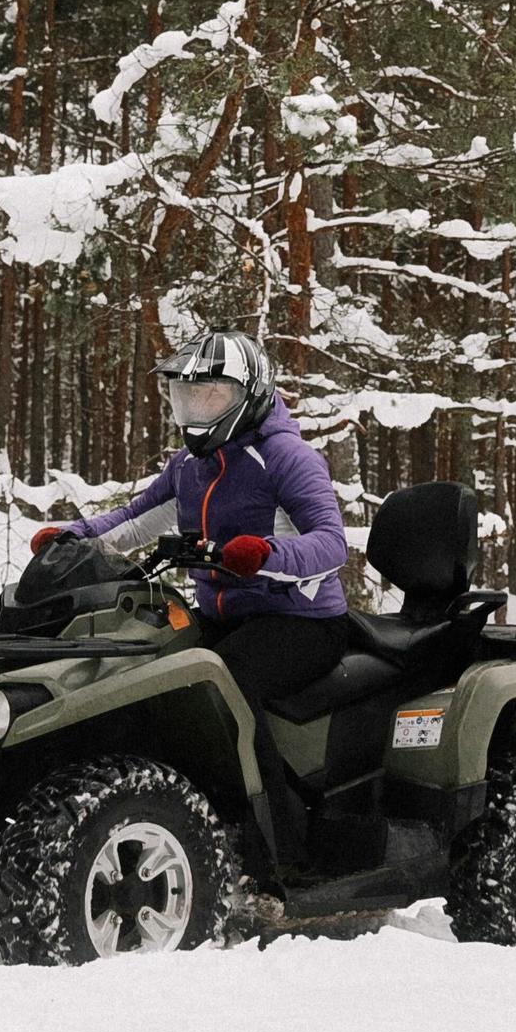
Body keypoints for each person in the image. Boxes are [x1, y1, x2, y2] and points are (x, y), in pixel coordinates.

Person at [30, 329, 348, 869]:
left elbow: (330, 543)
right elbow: (133, 520)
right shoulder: (190, 465)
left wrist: (265, 554)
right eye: (187, 396)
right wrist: (72, 537)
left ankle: (280, 851)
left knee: (225, 690)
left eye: (211, 395)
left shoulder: (288, 457)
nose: (197, 409)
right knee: (152, 677)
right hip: (225, 618)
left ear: (249, 392)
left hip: (301, 621)